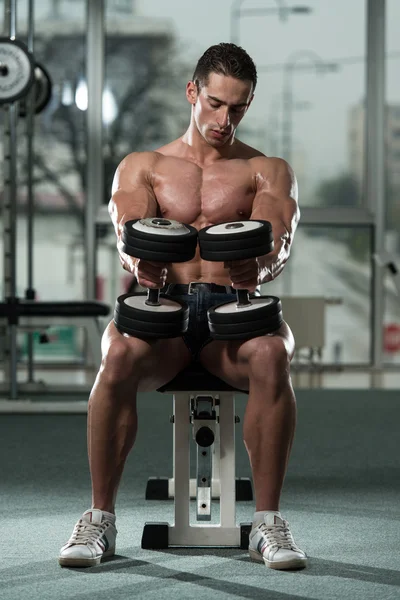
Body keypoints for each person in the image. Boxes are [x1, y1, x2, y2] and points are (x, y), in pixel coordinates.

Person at [59, 42, 307, 571]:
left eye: (238, 107)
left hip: (233, 317)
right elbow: (126, 223)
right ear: (192, 92)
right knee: (118, 355)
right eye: (216, 103)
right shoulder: (146, 165)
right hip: (162, 312)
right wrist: (138, 259)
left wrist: (257, 268)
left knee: (271, 354)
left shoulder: (265, 169)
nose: (225, 119)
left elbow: (277, 237)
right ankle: (99, 518)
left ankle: (267, 524)